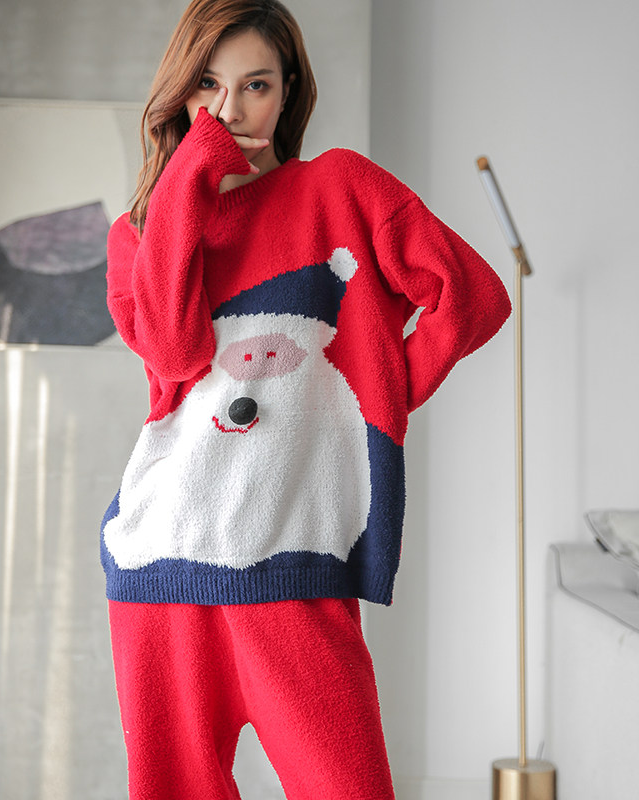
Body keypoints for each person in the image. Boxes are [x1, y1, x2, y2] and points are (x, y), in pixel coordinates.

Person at [100, 1, 511, 798]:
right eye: (207, 87)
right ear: (181, 92)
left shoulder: (339, 189)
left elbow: (473, 297)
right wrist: (189, 178)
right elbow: (176, 352)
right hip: (161, 563)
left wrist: (370, 400)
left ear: (288, 91)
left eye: (255, 85)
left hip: (293, 562)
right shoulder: (139, 233)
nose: (228, 111)